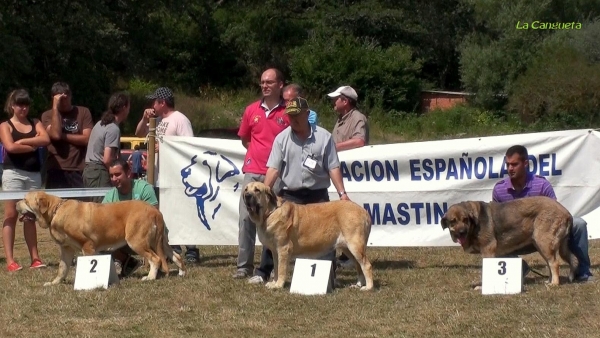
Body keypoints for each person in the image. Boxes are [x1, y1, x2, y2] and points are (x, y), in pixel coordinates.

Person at [248, 97, 350, 290]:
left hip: (317, 196)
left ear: (307, 113)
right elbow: (273, 169)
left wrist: (342, 193)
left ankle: (328, 277)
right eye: (290, 115)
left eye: (296, 115)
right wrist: (263, 191)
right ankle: (264, 272)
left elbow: (333, 167)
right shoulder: (282, 138)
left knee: (325, 237)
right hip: (290, 195)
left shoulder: (324, 137)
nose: (292, 119)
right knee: (273, 233)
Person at [492, 145, 593, 282]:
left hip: (543, 233)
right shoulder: (499, 190)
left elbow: (555, 213)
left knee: (579, 224)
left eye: (515, 164)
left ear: (525, 163)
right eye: (508, 164)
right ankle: (519, 268)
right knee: (492, 244)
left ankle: (582, 273)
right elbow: (496, 222)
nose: (510, 168)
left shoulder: (541, 184)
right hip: (516, 237)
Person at [232, 68, 290, 279]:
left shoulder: (288, 112)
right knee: (246, 219)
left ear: (280, 84)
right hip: (252, 171)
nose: (265, 85)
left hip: (276, 174)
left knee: (274, 221)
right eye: (262, 82)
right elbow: (245, 138)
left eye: (269, 82)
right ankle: (243, 266)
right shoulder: (251, 110)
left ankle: (273, 266)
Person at [134, 87, 199, 264]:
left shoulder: (180, 120)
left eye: (154, 101)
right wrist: (144, 118)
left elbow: (189, 146)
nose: (151, 105)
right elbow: (139, 134)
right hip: (159, 175)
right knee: (167, 214)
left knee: (183, 213)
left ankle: (192, 249)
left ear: (162, 103)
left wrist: (163, 148)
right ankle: (174, 247)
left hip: (175, 175)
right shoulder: (158, 121)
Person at [0, 89, 51, 271]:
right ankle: (10, 260)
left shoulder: (35, 122)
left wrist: (22, 142)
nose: (23, 108)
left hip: (33, 174)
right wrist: (31, 145)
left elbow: (45, 139)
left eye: (26, 104)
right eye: (20, 104)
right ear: (12, 106)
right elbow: (10, 147)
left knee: (30, 216)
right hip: (12, 173)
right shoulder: (5, 125)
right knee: (11, 215)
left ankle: (35, 258)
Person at [327, 85, 369, 267]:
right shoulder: (340, 120)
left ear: (345, 101)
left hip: (353, 177)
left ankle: (352, 255)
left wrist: (334, 148)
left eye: (336, 99)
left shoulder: (358, 118)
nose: (333, 102)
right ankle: (344, 255)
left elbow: (360, 141)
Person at [102, 158, 158, 277]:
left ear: (128, 173)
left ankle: (156, 261)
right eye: (111, 176)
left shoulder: (144, 188)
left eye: (117, 174)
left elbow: (155, 216)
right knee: (100, 241)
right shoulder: (109, 196)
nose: (114, 179)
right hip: (124, 238)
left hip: (149, 235)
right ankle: (127, 261)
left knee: (134, 235)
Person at [41, 82, 94, 189]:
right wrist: (55, 108)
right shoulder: (47, 115)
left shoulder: (83, 112)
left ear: (71, 96)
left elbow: (87, 139)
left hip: (78, 169)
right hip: (56, 169)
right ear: (54, 98)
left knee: (80, 205)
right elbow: (55, 135)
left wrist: (63, 136)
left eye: (67, 96)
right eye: (61, 98)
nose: (65, 101)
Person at [83, 92, 130, 202]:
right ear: (124, 107)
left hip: (90, 171)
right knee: (102, 209)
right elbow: (107, 159)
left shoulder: (100, 123)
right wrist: (119, 171)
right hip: (99, 172)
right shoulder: (113, 128)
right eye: (129, 107)